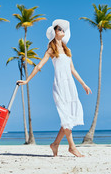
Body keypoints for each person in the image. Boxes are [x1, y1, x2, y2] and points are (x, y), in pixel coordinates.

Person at [17, 19, 92, 157]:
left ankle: (55, 144)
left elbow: (73, 69)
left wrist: (83, 84)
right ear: (54, 33)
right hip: (60, 86)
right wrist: (27, 80)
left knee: (68, 117)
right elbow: (39, 66)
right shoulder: (51, 49)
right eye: (59, 29)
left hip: (70, 85)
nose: (62, 31)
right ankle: (72, 147)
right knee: (66, 117)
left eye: (63, 29)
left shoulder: (67, 50)